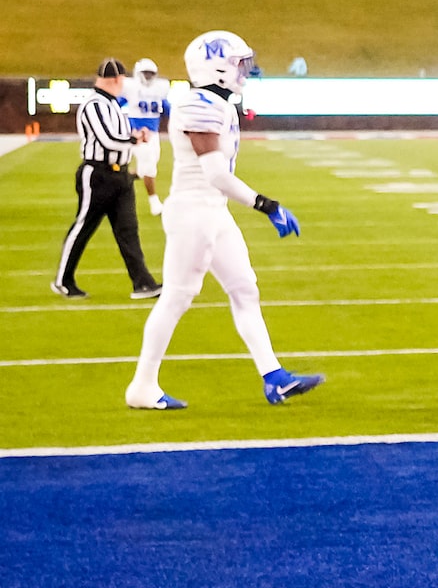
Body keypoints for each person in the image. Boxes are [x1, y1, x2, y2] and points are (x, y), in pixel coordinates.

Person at [124, 31, 323, 410]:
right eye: (238, 62)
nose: (245, 70)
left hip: (213, 211)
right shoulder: (195, 104)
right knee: (177, 298)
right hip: (193, 213)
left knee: (245, 289)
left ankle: (274, 377)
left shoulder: (220, 104)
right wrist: (267, 205)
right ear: (215, 67)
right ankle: (142, 385)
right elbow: (215, 173)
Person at [52, 58, 160, 300]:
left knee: (128, 230)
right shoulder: (93, 104)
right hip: (98, 174)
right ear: (117, 79)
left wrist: (133, 136)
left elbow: (117, 136)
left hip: (119, 173)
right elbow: (107, 139)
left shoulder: (111, 104)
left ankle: (143, 283)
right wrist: (135, 140)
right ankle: (63, 279)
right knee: (84, 225)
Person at [123, 57, 170, 202]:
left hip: (153, 134)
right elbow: (115, 103)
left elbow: (167, 108)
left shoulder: (159, 89)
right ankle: (154, 202)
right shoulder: (131, 88)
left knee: (147, 167)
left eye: (151, 73)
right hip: (138, 134)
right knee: (149, 167)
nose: (148, 76)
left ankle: (121, 180)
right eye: (146, 73)